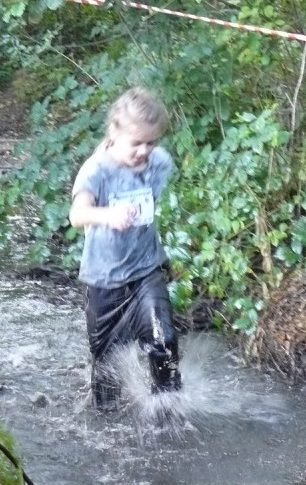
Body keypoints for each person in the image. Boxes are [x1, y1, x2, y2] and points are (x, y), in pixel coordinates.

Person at [68, 87, 182, 411]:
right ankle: (106, 428)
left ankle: (171, 412)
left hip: (146, 270)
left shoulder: (159, 163)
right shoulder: (96, 170)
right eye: (136, 143)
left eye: (151, 142)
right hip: (103, 279)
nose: (144, 151)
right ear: (114, 134)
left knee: (164, 341)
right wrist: (109, 216)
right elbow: (77, 215)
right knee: (107, 368)